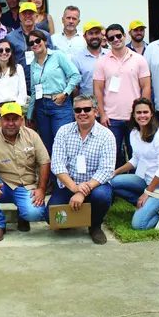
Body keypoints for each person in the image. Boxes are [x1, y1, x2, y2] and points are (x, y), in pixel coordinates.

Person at [0, 103, 49, 242]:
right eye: (6, 119)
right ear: (1, 120)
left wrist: (41, 189)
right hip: (4, 186)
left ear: (21, 120)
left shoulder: (32, 135)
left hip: (27, 186)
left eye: (14, 119)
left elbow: (45, 161)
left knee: (35, 214)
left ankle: (22, 214)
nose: (10, 123)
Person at [49, 94, 116, 244]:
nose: (82, 113)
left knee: (102, 197)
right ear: (73, 113)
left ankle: (95, 225)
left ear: (96, 112)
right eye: (78, 110)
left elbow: (106, 169)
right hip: (69, 184)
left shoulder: (107, 136)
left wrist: (82, 191)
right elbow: (57, 164)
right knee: (50, 216)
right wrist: (75, 188)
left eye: (87, 109)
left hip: (95, 185)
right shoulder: (63, 132)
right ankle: (75, 219)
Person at [110, 98, 159, 229]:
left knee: (139, 225)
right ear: (134, 115)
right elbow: (135, 160)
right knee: (111, 182)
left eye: (145, 112)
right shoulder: (134, 133)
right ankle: (147, 205)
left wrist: (147, 193)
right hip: (145, 179)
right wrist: (115, 172)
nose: (142, 116)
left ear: (151, 114)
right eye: (138, 112)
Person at [93, 24, 151, 168]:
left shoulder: (139, 59)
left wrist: (144, 113)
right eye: (111, 38)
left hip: (135, 117)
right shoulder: (102, 61)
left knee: (137, 155)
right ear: (106, 40)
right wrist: (102, 114)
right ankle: (114, 186)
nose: (116, 39)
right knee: (112, 155)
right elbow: (98, 90)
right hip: (111, 118)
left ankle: (135, 185)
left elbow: (146, 87)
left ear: (125, 36)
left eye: (118, 36)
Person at [27, 29, 81, 157]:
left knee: (62, 143)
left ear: (45, 41)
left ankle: (64, 176)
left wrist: (65, 93)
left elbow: (75, 76)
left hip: (59, 104)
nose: (35, 44)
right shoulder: (33, 63)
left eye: (38, 40)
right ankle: (51, 177)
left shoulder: (57, 55)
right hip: (41, 106)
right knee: (46, 145)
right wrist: (29, 114)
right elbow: (34, 90)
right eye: (31, 43)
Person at [6, 2, 55, 94]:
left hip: (43, 83)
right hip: (20, 84)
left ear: (36, 16)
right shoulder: (10, 37)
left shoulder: (45, 35)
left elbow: (53, 57)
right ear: (20, 16)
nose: (28, 16)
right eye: (24, 14)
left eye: (31, 13)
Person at [72, 20, 108, 96]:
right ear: (84, 36)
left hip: (110, 103)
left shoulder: (110, 55)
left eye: (97, 33)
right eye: (91, 33)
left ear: (102, 35)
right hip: (88, 104)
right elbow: (75, 87)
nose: (94, 36)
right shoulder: (77, 59)